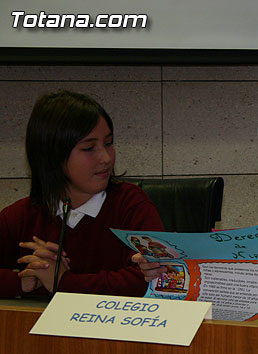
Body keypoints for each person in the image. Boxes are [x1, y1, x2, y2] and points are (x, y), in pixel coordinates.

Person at [0, 90, 164, 298]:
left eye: (108, 143)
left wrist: (63, 282)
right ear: (52, 156)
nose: (105, 158)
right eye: (89, 148)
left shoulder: (131, 204)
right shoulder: (21, 216)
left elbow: (150, 281)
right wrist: (23, 281)